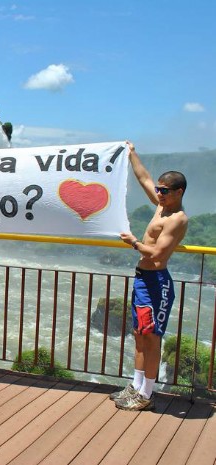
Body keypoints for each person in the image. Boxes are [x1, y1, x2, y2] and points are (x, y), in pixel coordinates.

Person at [110, 141, 188, 411]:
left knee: (152, 337)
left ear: (178, 192)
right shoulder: (160, 207)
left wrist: (133, 242)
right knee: (139, 334)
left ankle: (146, 395)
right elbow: (143, 177)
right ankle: (136, 385)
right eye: (158, 189)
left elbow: (156, 254)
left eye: (164, 190)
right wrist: (131, 153)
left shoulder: (177, 218)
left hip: (156, 283)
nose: (159, 193)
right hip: (142, 279)